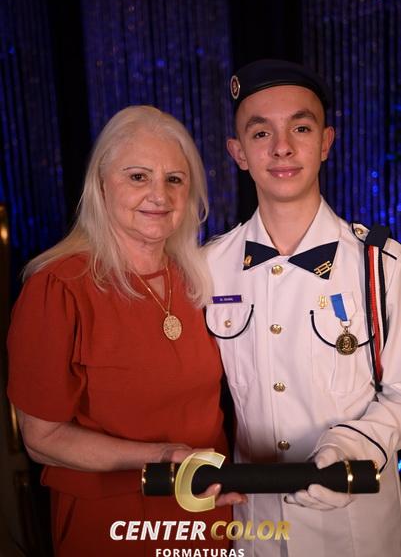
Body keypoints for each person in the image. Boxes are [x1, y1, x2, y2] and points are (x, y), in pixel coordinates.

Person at [7, 105, 243, 556]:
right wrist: (163, 458)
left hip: (206, 511)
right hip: (114, 522)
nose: (159, 195)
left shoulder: (200, 277)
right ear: (101, 184)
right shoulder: (58, 286)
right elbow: (42, 439)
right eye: (138, 177)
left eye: (175, 179)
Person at [205, 60, 401, 557]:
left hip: (356, 531)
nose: (282, 148)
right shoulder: (207, 268)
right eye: (260, 133)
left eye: (301, 127)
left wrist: (345, 451)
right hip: (255, 529)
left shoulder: (382, 265)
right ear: (238, 153)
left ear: (326, 142)